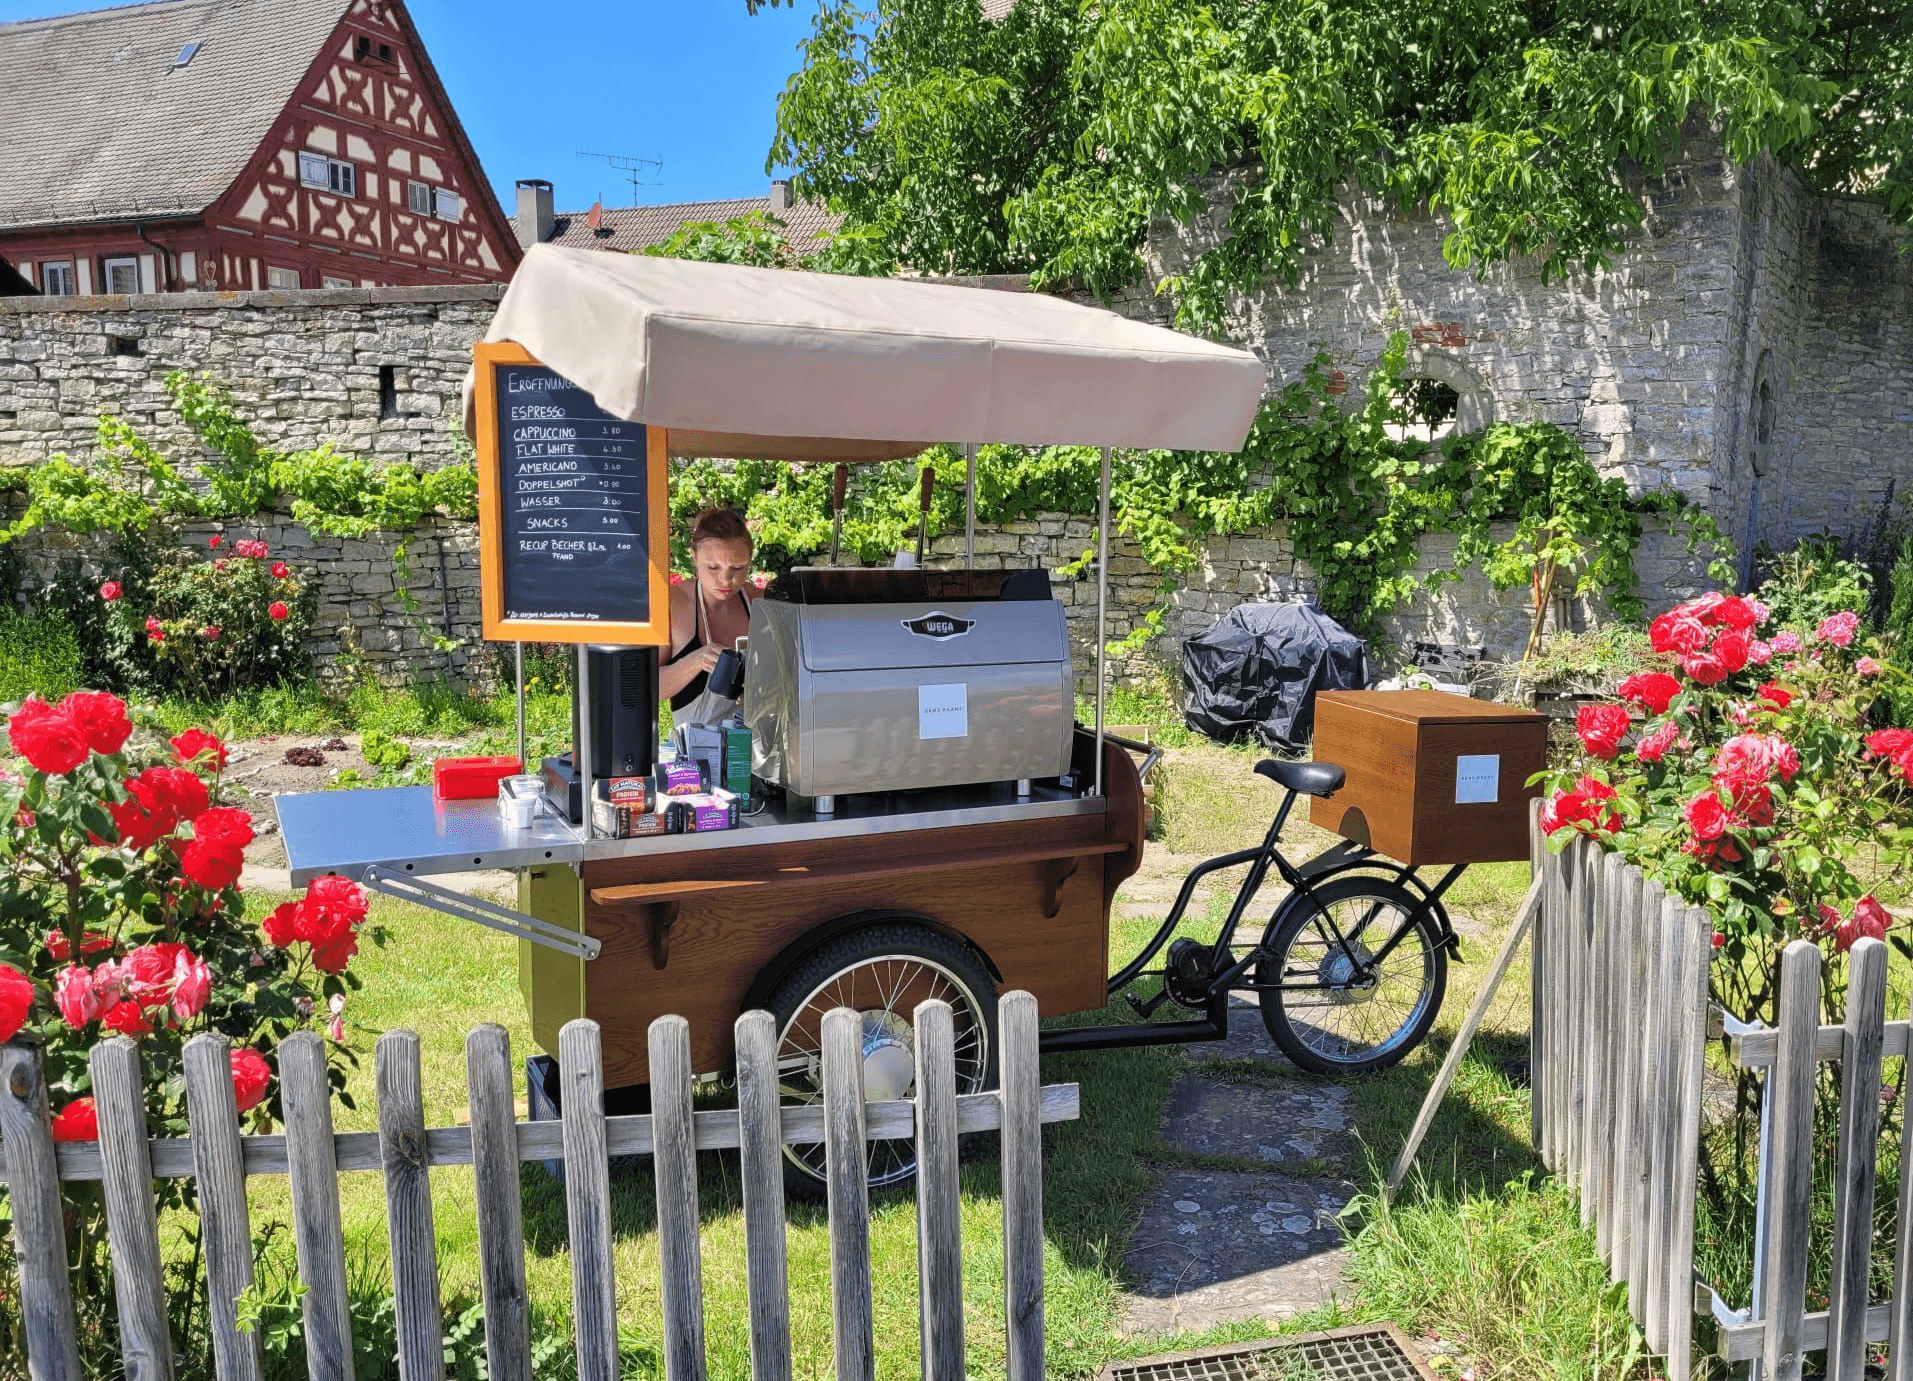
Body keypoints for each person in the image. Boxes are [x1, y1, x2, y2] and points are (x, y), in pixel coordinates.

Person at [661, 507, 756, 716]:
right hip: (698, 743)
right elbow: (647, 687)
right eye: (713, 568)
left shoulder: (758, 602)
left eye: (738, 568)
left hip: (747, 740)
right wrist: (697, 661)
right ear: (694, 557)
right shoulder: (675, 604)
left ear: (750, 558)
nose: (725, 579)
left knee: (739, 749)